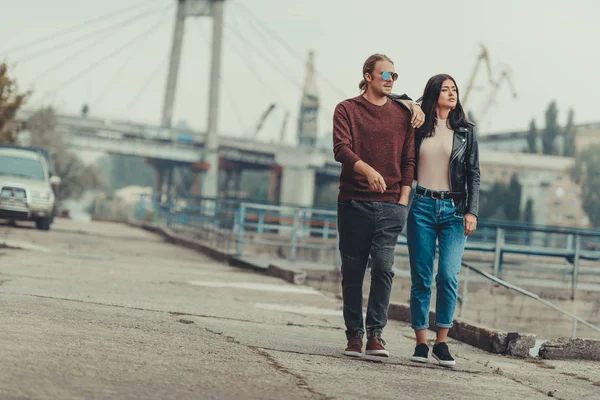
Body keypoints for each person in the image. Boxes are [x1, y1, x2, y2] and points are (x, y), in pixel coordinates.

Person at [333, 53, 424, 358]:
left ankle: (376, 335)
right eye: (385, 75)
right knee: (353, 272)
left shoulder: (403, 114)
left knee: (384, 268)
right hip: (353, 202)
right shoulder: (346, 109)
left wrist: (403, 198)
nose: (390, 80)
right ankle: (354, 336)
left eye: (394, 76)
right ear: (368, 76)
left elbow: (409, 159)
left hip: (390, 205)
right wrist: (367, 169)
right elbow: (341, 148)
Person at [407, 74, 480, 367]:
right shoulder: (418, 126)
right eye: (445, 89)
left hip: (453, 211)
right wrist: (411, 105)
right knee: (421, 278)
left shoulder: (465, 131)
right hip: (422, 207)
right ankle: (421, 343)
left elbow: (474, 173)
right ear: (433, 93)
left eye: (455, 90)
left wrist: (471, 211)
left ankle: (442, 342)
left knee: (448, 276)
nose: (451, 94)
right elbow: (397, 97)